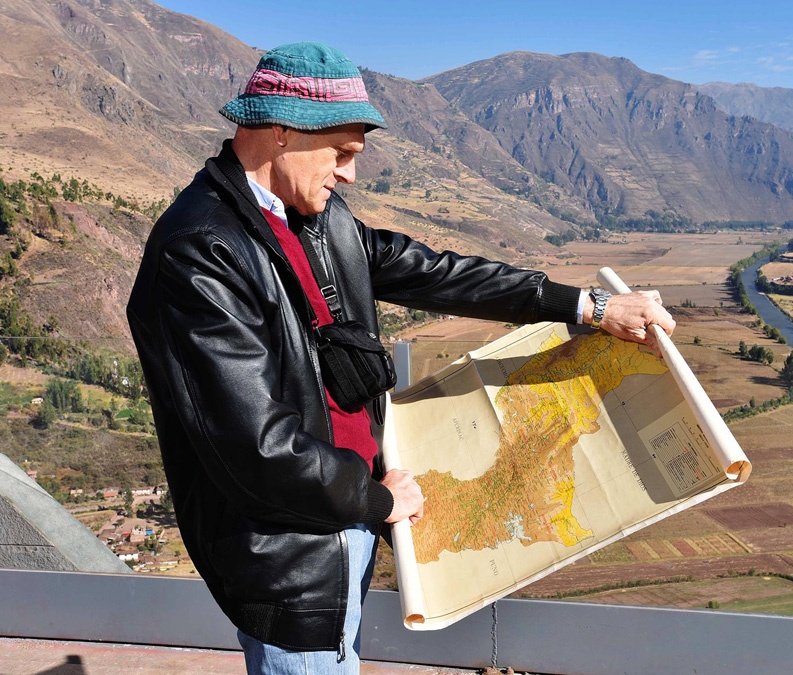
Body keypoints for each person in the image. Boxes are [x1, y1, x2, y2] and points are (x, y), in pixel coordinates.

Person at [127, 42, 675, 674]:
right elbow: (255, 446)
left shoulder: (314, 217)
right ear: (282, 132)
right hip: (293, 558)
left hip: (350, 513)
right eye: (341, 153)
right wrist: (378, 501)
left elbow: (436, 273)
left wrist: (587, 306)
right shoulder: (201, 250)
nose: (350, 175)